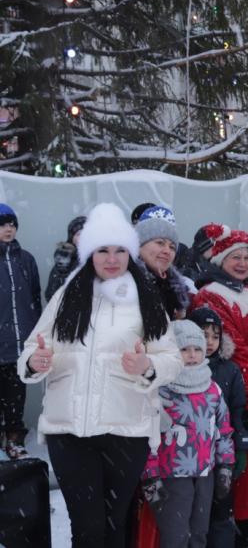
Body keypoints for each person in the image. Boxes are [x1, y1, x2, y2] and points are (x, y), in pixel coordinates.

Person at [17, 202, 181, 547]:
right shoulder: (67, 295)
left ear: (130, 253)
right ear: (89, 252)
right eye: (103, 250)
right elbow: (32, 348)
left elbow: (172, 359)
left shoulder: (146, 298)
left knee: (114, 526)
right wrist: (36, 361)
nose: (111, 258)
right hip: (70, 431)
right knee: (88, 530)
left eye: (120, 250)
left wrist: (148, 367)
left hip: (126, 431)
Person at [191, 224, 248, 528]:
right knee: (237, 465)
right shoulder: (211, 295)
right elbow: (234, 349)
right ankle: (236, 527)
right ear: (220, 259)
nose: (241, 263)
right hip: (231, 392)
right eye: (234, 257)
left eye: (246, 257)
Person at [143, 320, 235, 548]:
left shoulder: (212, 389)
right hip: (172, 474)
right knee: (176, 536)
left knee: (199, 534)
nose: (192, 355)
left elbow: (223, 430)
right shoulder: (160, 388)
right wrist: (150, 476)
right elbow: (148, 435)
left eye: (197, 349)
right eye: (184, 350)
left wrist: (225, 466)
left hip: (205, 473)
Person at [188, 306, 248, 548]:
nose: (211, 342)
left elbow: (239, 409)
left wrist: (242, 446)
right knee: (193, 514)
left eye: (216, 336)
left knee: (221, 510)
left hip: (221, 453)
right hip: (188, 455)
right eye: (204, 335)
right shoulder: (181, 370)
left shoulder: (230, 369)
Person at [0, 203, 41, 459]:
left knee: (16, 397)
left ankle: (14, 440)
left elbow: (34, 297)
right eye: (3, 224)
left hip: (19, 345)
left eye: (12, 224)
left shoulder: (26, 259)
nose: (8, 229)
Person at [135, 205, 191, 320]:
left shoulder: (175, 290)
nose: (167, 251)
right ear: (139, 244)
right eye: (160, 243)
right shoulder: (126, 282)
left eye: (172, 247)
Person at [45, 214, 85, 303]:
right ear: (72, 238)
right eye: (78, 234)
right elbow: (50, 295)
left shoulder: (99, 258)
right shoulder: (64, 260)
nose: (83, 237)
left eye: (86, 233)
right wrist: (62, 273)